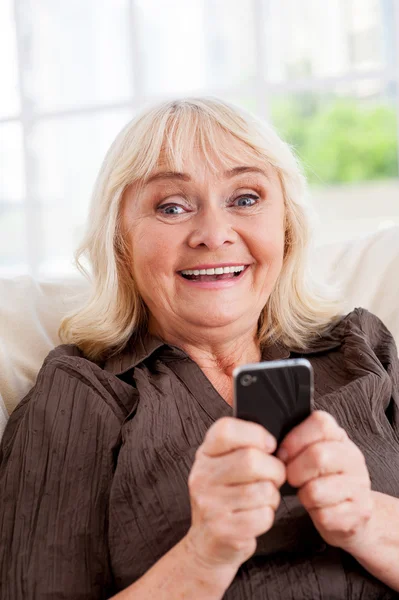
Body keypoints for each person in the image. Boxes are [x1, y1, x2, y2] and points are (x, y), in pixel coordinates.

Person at [1, 98, 399, 600]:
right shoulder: (83, 395)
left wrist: (367, 519)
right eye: (172, 206)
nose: (214, 234)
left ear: (287, 228)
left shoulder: (359, 349)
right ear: (121, 243)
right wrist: (204, 553)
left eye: (247, 198)